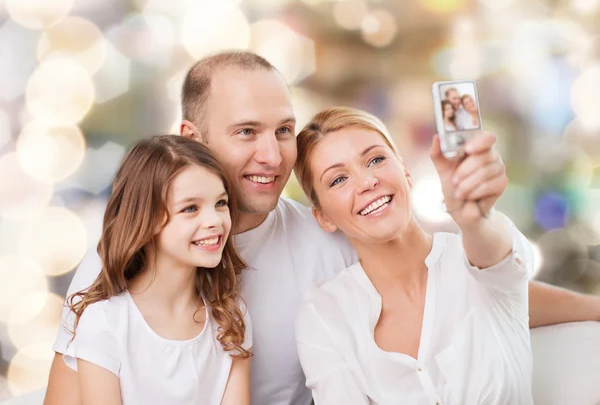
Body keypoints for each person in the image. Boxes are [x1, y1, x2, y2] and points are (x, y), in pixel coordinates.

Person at [44, 51, 600, 405]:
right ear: (191, 135)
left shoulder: (328, 244)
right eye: (246, 132)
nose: (271, 154)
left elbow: (470, 288)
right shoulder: (122, 259)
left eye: (284, 130)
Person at [294, 107, 533, 403]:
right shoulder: (325, 312)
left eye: (376, 159)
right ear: (324, 218)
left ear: (405, 171)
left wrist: (474, 218)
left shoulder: (477, 257)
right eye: (338, 180)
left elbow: (496, 255)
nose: (367, 182)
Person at [62, 135, 252, 405]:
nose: (214, 221)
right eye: (190, 208)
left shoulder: (230, 318)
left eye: (220, 203)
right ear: (147, 219)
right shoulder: (105, 323)